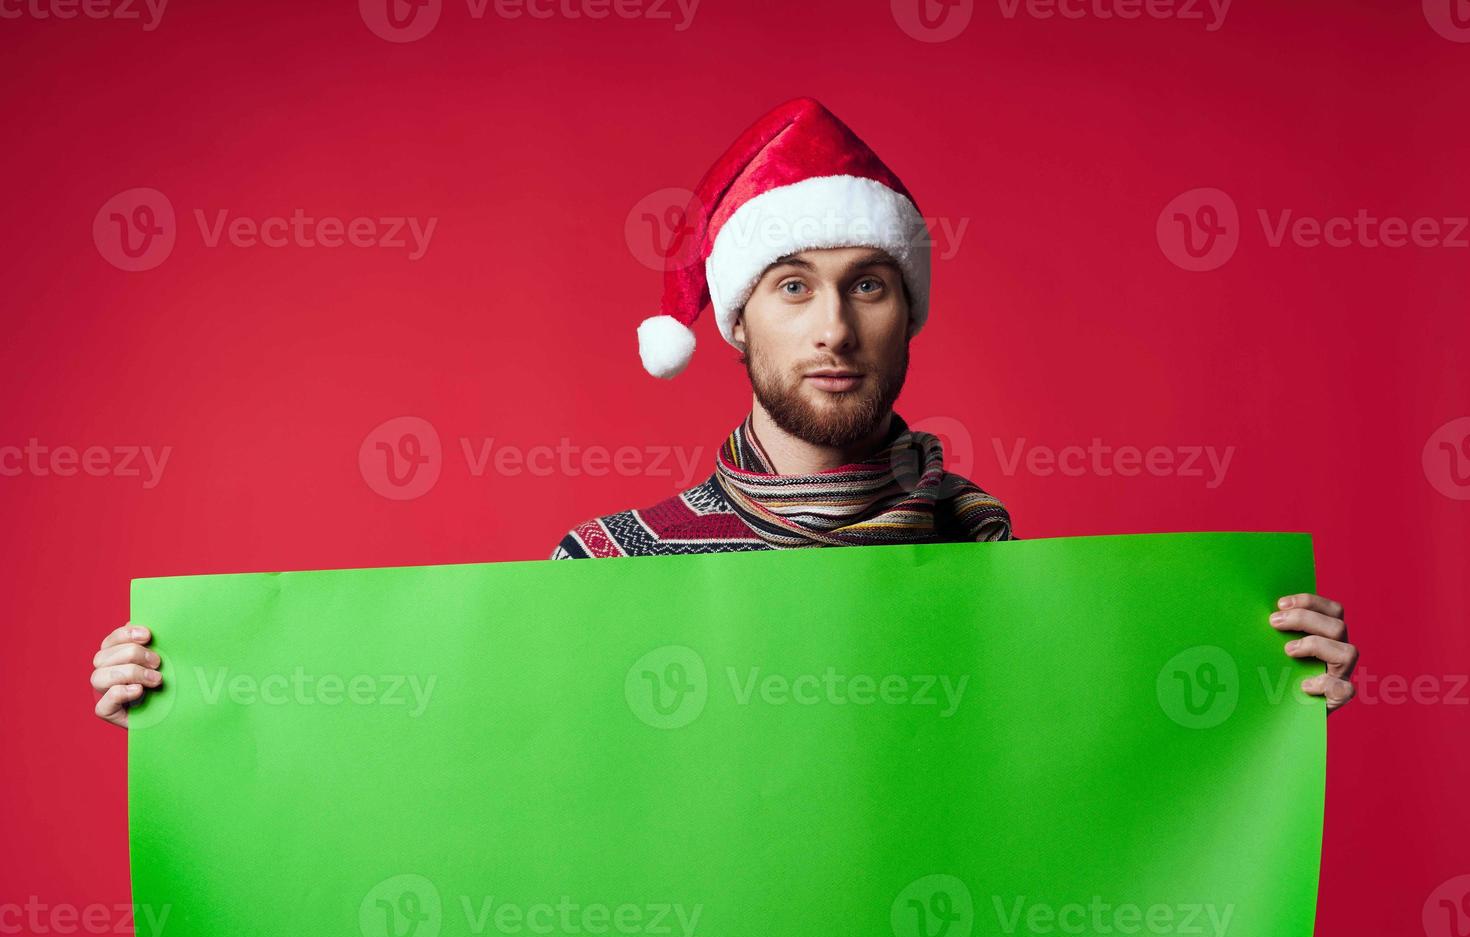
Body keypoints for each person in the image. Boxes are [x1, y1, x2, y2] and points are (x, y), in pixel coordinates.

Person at [90, 97, 1359, 725]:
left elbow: (1081, 779)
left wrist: (1260, 690)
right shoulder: (604, 570)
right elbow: (470, 747)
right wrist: (203, 688)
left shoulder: (985, 552)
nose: (833, 325)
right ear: (734, 321)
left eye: (869, 286)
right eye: (792, 286)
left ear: (909, 314)